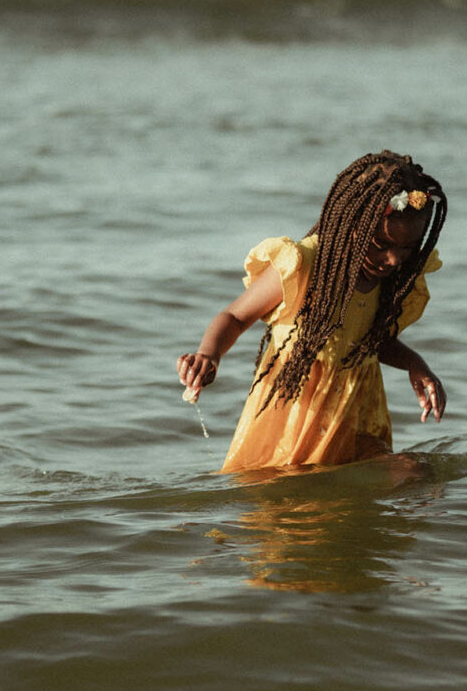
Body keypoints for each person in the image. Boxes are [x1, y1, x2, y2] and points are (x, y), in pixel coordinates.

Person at [177, 150, 447, 473]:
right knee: (292, 495)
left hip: (355, 420)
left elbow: (370, 341)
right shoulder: (304, 266)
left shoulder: (390, 280)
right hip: (292, 422)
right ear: (352, 224)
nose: (393, 259)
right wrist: (209, 355)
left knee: (412, 474)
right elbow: (235, 317)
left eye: (406, 248)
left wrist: (415, 365)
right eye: (381, 245)